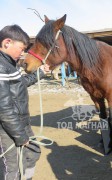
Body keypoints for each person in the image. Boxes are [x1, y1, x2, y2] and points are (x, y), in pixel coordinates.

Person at [0, 25, 49, 180]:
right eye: (22, 49)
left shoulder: (9, 64)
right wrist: (20, 135)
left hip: (20, 122)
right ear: (7, 42)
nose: (23, 53)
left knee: (32, 153)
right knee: (12, 167)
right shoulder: (1, 67)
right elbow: (4, 108)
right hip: (6, 128)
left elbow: (20, 83)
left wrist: (40, 74)